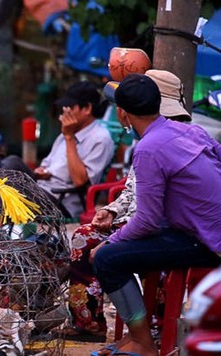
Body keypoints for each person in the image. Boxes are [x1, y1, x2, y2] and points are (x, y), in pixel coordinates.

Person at [90, 74, 221, 356]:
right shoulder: (190, 130)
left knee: (106, 258)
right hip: (201, 230)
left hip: (206, 241)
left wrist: (111, 241)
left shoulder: (147, 148)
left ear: (123, 115)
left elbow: (147, 221)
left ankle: (143, 342)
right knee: (118, 247)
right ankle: (138, 334)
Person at [64, 69, 192, 342]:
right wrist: (112, 210)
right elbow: (132, 191)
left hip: (167, 227)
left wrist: (115, 239)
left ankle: (152, 331)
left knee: (112, 253)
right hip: (143, 221)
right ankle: (90, 323)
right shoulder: (149, 139)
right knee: (84, 238)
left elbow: (154, 215)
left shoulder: (168, 140)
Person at [33, 81, 115, 218]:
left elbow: (80, 181)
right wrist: (42, 171)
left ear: (87, 108)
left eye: (70, 107)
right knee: (9, 166)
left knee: (9, 185)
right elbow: (46, 165)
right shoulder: (66, 133)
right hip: (41, 189)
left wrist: (69, 138)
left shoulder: (101, 139)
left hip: (60, 202)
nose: (64, 113)